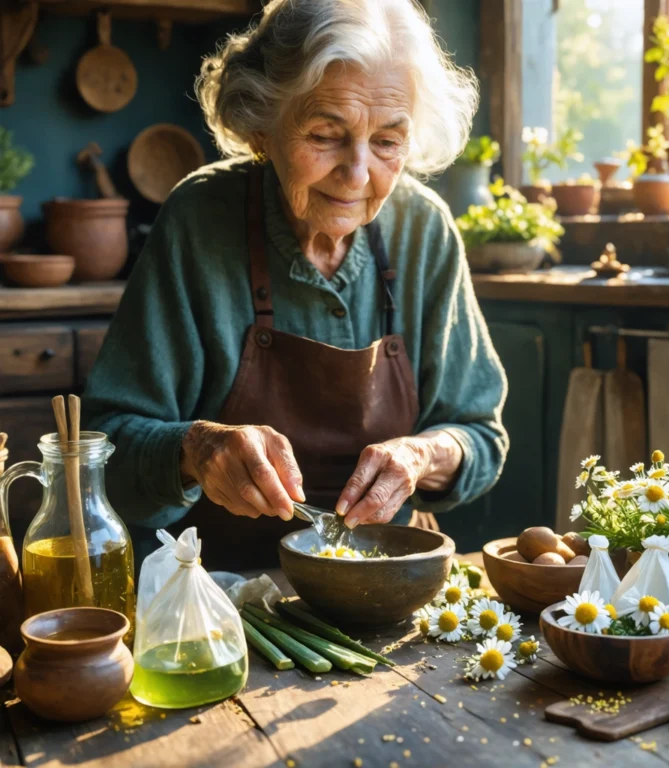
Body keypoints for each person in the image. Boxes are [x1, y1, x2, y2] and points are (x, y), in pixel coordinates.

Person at [84, 0, 509, 569]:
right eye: (326, 134)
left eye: (387, 142)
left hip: (376, 591)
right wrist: (196, 450)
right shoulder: (199, 218)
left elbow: (479, 433)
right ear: (262, 127)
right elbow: (102, 447)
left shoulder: (424, 230)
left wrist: (424, 453)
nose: (357, 174)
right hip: (213, 598)